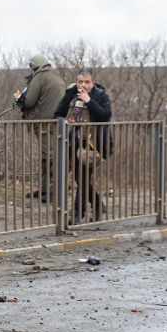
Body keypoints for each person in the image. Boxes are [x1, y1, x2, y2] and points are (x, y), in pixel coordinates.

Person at [55, 69, 111, 225]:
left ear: (92, 83)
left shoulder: (100, 96)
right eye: (80, 82)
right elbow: (58, 113)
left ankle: (78, 213)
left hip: (93, 145)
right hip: (74, 142)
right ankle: (99, 205)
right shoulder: (70, 93)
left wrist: (89, 101)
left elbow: (105, 116)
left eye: (87, 82)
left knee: (83, 177)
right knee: (79, 178)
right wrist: (63, 121)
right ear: (76, 81)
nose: (83, 85)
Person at [18, 55, 66, 203]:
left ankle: (52, 191)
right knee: (49, 157)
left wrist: (20, 100)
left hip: (45, 124)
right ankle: (45, 189)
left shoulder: (39, 76)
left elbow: (30, 100)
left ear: (34, 67)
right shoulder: (56, 75)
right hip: (58, 123)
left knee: (49, 159)